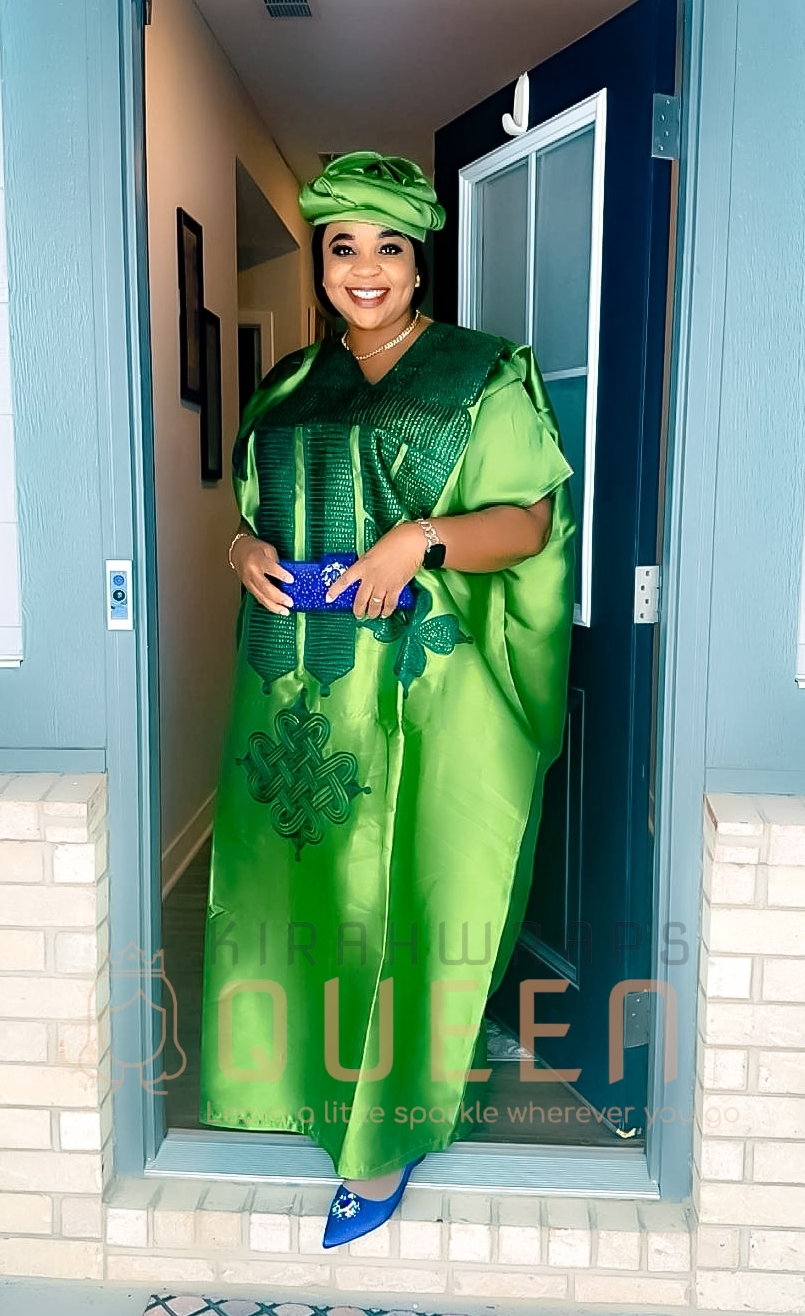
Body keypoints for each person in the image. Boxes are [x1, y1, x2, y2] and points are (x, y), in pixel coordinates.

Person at [199, 150, 576, 1247]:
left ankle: (383, 1134)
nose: (365, 269)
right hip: (304, 695)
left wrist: (422, 538)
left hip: (426, 697)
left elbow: (530, 526)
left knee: (405, 903)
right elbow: (253, 509)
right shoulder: (287, 384)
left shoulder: (481, 374)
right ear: (321, 264)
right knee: (310, 900)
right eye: (343, 248)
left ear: (418, 265)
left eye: (389, 248)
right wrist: (239, 549)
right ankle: (303, 1089)